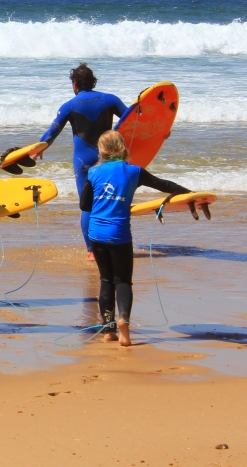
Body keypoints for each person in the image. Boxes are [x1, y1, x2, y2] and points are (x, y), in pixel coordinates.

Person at [80, 130, 189, 346]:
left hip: (96, 233)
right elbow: (164, 185)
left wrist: (105, 199)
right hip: (119, 234)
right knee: (122, 281)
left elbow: (84, 205)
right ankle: (124, 324)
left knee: (106, 280)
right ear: (121, 146)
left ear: (102, 150)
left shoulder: (93, 172)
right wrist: (191, 194)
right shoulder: (134, 171)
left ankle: (108, 330)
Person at [40, 63, 127, 261]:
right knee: (110, 200)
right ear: (92, 81)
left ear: (75, 83)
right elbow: (134, 120)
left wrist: (37, 149)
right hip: (109, 158)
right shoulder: (110, 99)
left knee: (88, 205)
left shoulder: (69, 106)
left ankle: (92, 251)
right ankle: (113, 242)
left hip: (84, 161)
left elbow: (51, 134)